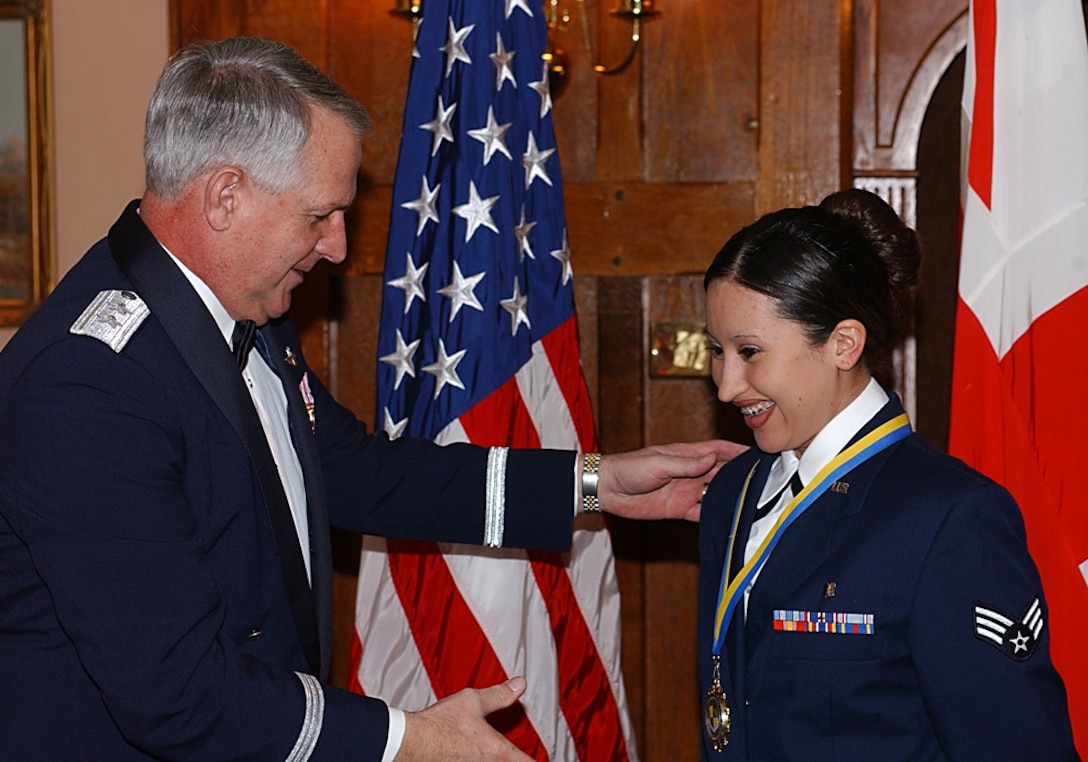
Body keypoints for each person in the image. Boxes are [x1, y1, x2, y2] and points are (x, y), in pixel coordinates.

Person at [0, 37, 744, 761]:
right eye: (318, 215)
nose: (338, 247)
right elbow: (178, 689)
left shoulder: (234, 310)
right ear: (225, 196)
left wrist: (594, 483)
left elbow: (357, 473)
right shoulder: (88, 383)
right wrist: (405, 738)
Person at [696, 188, 1078, 759]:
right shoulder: (733, 491)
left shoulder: (950, 519)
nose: (726, 385)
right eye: (717, 351)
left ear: (843, 344)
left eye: (749, 351)